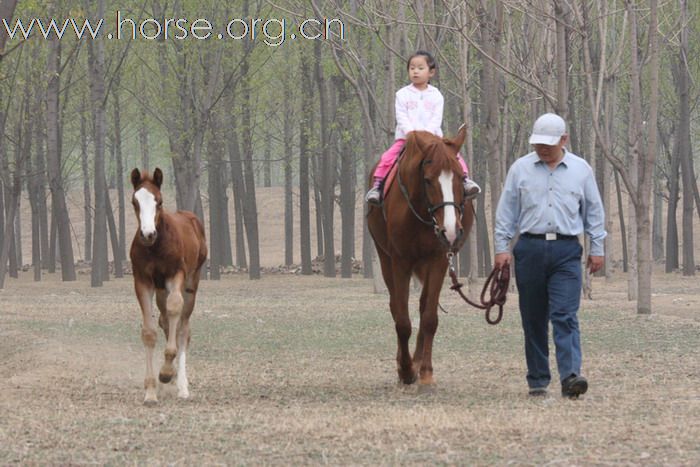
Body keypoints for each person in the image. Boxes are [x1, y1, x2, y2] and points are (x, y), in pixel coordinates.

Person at [494, 113, 606, 398]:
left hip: (567, 251)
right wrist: (502, 249)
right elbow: (507, 212)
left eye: (548, 144)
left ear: (564, 139)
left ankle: (570, 377)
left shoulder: (581, 170)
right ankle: (538, 380)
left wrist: (597, 248)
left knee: (565, 314)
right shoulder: (520, 169)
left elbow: (593, 211)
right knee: (533, 318)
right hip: (529, 249)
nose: (542, 149)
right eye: (537, 144)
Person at [365, 51, 480, 204]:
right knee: (388, 157)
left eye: (420, 68)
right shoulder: (402, 94)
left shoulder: (436, 95)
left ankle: (465, 180)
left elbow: (436, 119)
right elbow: (401, 117)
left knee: (454, 156)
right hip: (406, 139)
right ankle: (378, 187)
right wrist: (411, 134)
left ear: (431, 72)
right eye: (412, 68)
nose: (415, 71)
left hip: (433, 141)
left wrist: (426, 136)